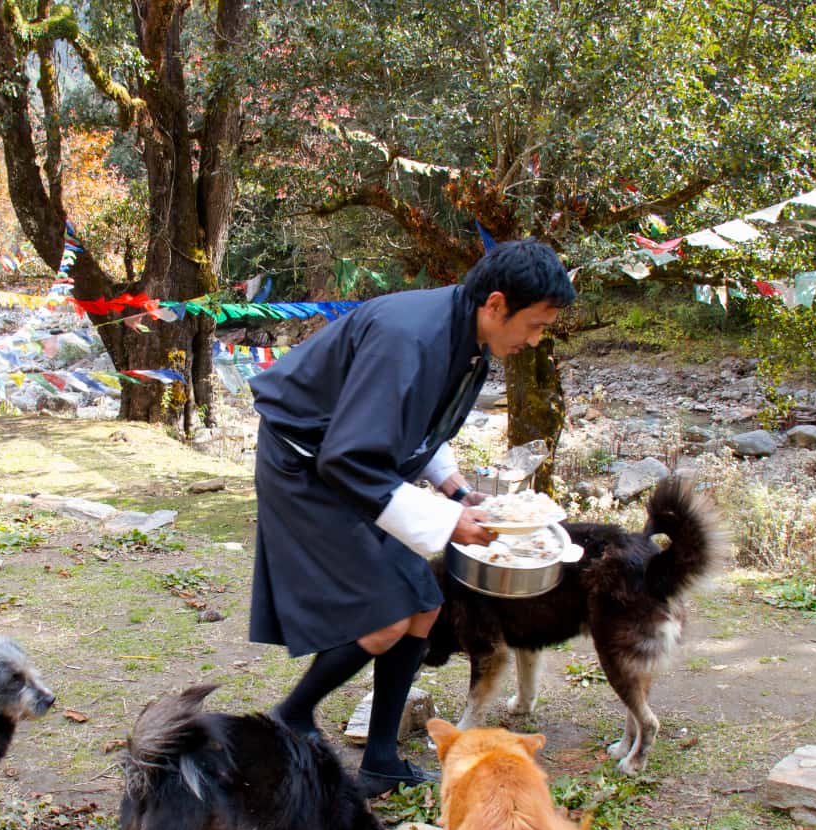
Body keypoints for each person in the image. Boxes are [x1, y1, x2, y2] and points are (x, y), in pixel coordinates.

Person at [247, 239, 576, 793]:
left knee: (424, 604)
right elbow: (348, 456)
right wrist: (449, 523)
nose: (536, 339)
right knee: (386, 617)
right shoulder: (411, 337)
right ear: (497, 304)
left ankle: (380, 761)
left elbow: (420, 423)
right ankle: (291, 715)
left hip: (354, 465)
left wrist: (455, 489)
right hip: (307, 469)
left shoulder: (465, 335)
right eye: (537, 324)